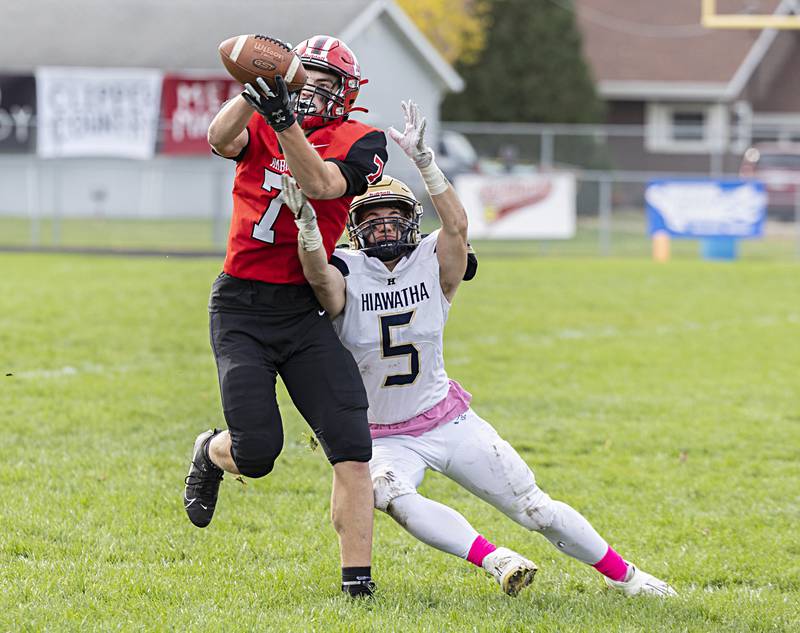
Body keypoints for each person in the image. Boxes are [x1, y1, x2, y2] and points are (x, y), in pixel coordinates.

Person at [281, 101, 677, 598]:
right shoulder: (344, 269)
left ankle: (630, 578)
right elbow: (317, 276)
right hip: (379, 435)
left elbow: (457, 228)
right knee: (387, 494)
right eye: (373, 218)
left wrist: (426, 163)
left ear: (411, 221)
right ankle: (495, 559)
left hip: (445, 418)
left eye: (393, 216)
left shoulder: (434, 263)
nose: (383, 226)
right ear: (357, 228)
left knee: (534, 507)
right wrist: (310, 228)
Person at [182, 35, 388, 598]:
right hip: (242, 306)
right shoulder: (266, 116)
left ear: (347, 93)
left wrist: (284, 121)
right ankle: (210, 449)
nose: (316, 91)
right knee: (258, 453)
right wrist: (256, 94)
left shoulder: (363, 138)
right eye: (308, 78)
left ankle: (357, 585)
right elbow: (218, 137)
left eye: (328, 82)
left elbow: (323, 185)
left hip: (303, 311)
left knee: (351, 441)